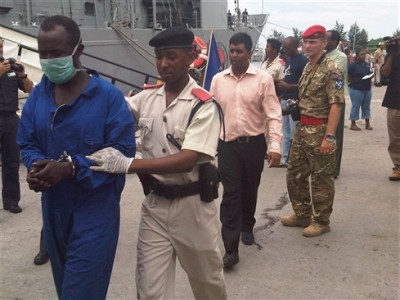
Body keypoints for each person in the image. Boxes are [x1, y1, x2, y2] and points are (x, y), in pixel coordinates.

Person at [86, 27, 227, 299]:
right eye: (159, 57)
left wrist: (128, 164)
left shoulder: (204, 105)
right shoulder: (147, 97)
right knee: (150, 290)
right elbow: (114, 110)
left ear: (190, 57)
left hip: (194, 208)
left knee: (208, 285)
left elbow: (188, 160)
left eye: (171, 56)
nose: (163, 64)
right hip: (155, 206)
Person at [17, 15, 135, 299]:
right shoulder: (39, 95)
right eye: (42, 54)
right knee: (65, 287)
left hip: (95, 211)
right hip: (54, 209)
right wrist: (37, 166)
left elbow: (121, 152)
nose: (47, 61)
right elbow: (27, 140)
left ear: (78, 50)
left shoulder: (107, 97)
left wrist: (71, 168)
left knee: (79, 293)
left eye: (55, 54)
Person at [210, 32, 282, 268]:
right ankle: (231, 249)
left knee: (250, 190)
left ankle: (247, 226)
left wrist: (275, 146)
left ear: (249, 53)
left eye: (239, 51)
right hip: (228, 146)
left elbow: (273, 113)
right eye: (232, 50)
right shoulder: (218, 80)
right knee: (231, 194)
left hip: (254, 146)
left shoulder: (263, 79)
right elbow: (211, 115)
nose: (234, 55)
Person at [281, 25, 344, 237]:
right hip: (303, 128)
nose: (307, 46)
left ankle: (322, 221)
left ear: (324, 43)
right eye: (305, 42)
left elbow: (336, 103)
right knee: (295, 174)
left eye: (313, 42)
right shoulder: (309, 66)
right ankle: (303, 214)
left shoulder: (332, 68)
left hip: (320, 129)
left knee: (321, 179)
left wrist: (329, 136)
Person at [0, 37, 33, 213]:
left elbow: (29, 90)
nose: (0, 48)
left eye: (2, 45)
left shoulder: (9, 66)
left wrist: (22, 74)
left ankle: (11, 200)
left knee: (11, 161)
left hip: (11, 118)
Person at [275, 37, 308, 167]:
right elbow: (289, 77)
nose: (285, 50)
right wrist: (280, 82)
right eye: (284, 47)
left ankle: (297, 159)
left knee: (296, 132)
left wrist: (288, 87)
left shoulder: (303, 61)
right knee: (286, 132)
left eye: (287, 47)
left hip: (295, 100)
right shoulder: (288, 60)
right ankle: (285, 159)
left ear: (295, 46)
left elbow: (305, 84)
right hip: (285, 98)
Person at [325, 30, 348, 178]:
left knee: (334, 134)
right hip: (321, 100)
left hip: (335, 100)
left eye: (327, 39)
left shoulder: (341, 57)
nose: (324, 42)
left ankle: (334, 170)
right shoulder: (322, 55)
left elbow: (330, 73)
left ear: (335, 42)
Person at [380, 38, 400, 181]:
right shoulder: (393, 55)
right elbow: (385, 73)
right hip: (394, 101)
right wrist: (392, 54)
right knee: (395, 138)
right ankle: (398, 168)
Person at [348, 48, 374, 131]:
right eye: (362, 54)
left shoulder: (367, 64)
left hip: (367, 88)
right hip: (356, 89)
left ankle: (367, 123)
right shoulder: (353, 65)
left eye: (365, 54)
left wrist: (371, 75)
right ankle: (353, 124)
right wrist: (351, 82)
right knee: (356, 106)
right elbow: (347, 74)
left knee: (366, 106)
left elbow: (370, 72)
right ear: (357, 56)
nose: (364, 56)